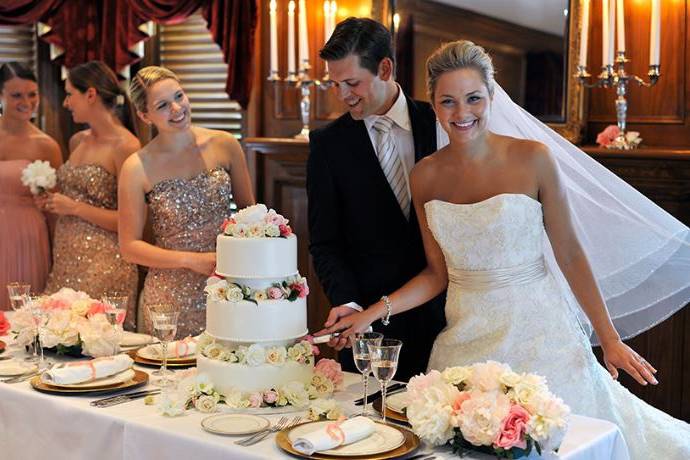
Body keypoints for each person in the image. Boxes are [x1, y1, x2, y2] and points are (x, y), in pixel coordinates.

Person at [319, 40, 690, 458]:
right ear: (435, 107)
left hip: (542, 339)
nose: (462, 114)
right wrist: (369, 313)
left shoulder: (533, 159)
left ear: (492, 97)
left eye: (473, 98)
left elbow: (568, 252)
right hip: (463, 344)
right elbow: (436, 274)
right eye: (448, 102)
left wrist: (609, 338)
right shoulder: (425, 176)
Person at [307, 17, 446, 381]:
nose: (343, 95)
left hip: (448, 322)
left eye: (352, 83)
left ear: (385, 68)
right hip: (370, 331)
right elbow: (325, 242)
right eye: (335, 84)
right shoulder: (327, 145)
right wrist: (349, 303)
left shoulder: (442, 122)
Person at [119, 66, 254, 337]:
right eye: (163, 105)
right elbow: (129, 247)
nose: (177, 108)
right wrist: (190, 260)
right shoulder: (136, 167)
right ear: (145, 116)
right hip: (170, 296)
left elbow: (250, 215)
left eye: (179, 96)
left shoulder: (225, 144)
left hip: (228, 285)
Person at [37, 61, 140, 329]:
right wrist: (51, 202)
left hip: (105, 263)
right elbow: (72, 196)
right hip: (66, 258)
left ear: (91, 94)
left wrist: (75, 208)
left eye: (70, 94)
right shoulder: (77, 141)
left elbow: (132, 223)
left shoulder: (126, 146)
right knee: (55, 338)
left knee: (92, 338)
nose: (66, 103)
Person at [0, 62, 62, 309]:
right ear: (1, 95)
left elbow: (55, 209)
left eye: (32, 94)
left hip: (27, 237)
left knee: (24, 314)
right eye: (16, 95)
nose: (26, 101)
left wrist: (59, 257)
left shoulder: (46, 145)